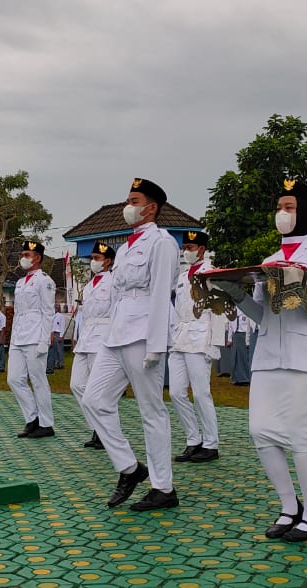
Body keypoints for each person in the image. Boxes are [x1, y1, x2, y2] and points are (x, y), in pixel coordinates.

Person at [213, 179, 307, 542]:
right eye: (280, 207)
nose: (282, 214)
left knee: (303, 438)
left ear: (306, 212)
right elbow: (263, 314)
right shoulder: (268, 262)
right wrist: (235, 294)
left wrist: (301, 287)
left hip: (306, 359)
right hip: (268, 357)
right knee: (261, 433)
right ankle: (288, 506)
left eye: (290, 207)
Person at [82, 177, 180, 511]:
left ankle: (163, 488)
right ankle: (129, 468)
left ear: (151, 208)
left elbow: (161, 293)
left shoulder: (162, 242)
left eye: (134, 201)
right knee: (94, 400)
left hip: (143, 333)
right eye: (128, 200)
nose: (128, 206)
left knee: (151, 410)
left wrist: (157, 343)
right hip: (117, 332)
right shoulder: (124, 248)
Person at [170, 230, 227, 464]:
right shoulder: (183, 277)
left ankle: (211, 444)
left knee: (202, 393)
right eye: (184, 247)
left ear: (201, 249)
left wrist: (215, 345)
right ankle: (193, 439)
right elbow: (177, 310)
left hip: (201, 337)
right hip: (180, 338)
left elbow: (220, 310)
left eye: (190, 248)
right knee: (175, 392)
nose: (186, 251)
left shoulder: (211, 274)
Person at [8, 241, 57, 437]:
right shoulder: (20, 283)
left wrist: (45, 340)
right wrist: (12, 338)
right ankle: (32, 418)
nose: (23, 258)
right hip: (19, 337)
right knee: (14, 379)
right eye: (23, 254)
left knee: (38, 381)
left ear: (37, 258)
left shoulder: (45, 281)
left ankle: (46, 424)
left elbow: (48, 312)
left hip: (35, 336)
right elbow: (18, 313)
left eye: (27, 254)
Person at [71, 242, 117, 450]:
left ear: (108, 261)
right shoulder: (89, 286)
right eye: (92, 258)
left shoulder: (114, 282)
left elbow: (117, 311)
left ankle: (105, 431)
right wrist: (77, 335)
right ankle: (98, 426)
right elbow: (84, 315)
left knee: (100, 390)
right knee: (77, 384)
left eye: (97, 258)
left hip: (103, 338)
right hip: (86, 338)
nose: (93, 262)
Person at [230, 314, 254, 386]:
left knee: (244, 357)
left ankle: (246, 378)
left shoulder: (246, 310)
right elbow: (230, 322)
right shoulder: (233, 310)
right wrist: (229, 338)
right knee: (236, 356)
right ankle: (236, 378)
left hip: (244, 333)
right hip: (235, 333)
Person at [47, 305, 67, 374]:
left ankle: (61, 364)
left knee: (59, 350)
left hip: (58, 333)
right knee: (54, 350)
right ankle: (56, 363)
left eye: (57, 307)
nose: (55, 309)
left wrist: (61, 336)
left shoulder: (61, 316)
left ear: (58, 309)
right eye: (55, 307)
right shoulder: (53, 316)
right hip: (53, 334)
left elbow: (62, 326)